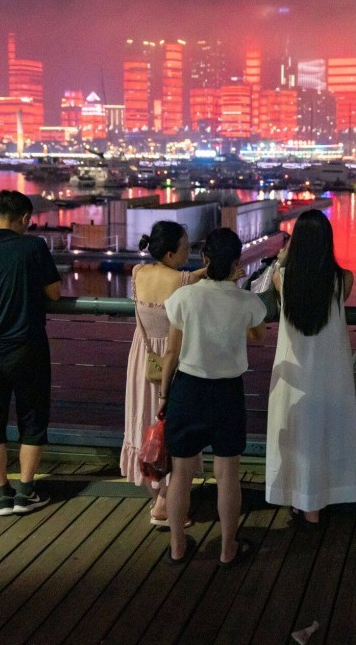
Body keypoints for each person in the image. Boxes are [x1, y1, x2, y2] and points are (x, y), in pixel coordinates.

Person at [160, 228, 267, 567]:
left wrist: (165, 394)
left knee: (181, 473)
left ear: (204, 259)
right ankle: (227, 548)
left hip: (188, 389)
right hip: (227, 392)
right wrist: (235, 288)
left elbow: (172, 351)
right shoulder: (246, 300)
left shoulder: (185, 297)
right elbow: (258, 336)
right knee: (228, 474)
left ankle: (177, 547)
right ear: (237, 262)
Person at [0, 190, 61, 516]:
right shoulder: (33, 246)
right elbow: (55, 293)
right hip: (26, 348)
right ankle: (26, 492)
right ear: (25, 219)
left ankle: (2, 494)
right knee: (32, 420)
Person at [265, 209, 356, 527]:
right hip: (330, 375)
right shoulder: (342, 280)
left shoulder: (283, 279)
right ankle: (319, 502)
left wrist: (281, 259)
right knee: (324, 436)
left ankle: (299, 499)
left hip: (293, 376)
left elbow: (271, 282)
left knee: (295, 437)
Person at [122, 221, 203, 526]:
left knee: (145, 424)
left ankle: (157, 498)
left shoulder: (138, 273)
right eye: (185, 246)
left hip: (142, 358)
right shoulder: (182, 282)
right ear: (171, 253)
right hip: (171, 360)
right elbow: (196, 279)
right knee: (170, 428)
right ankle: (165, 506)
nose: (189, 250)